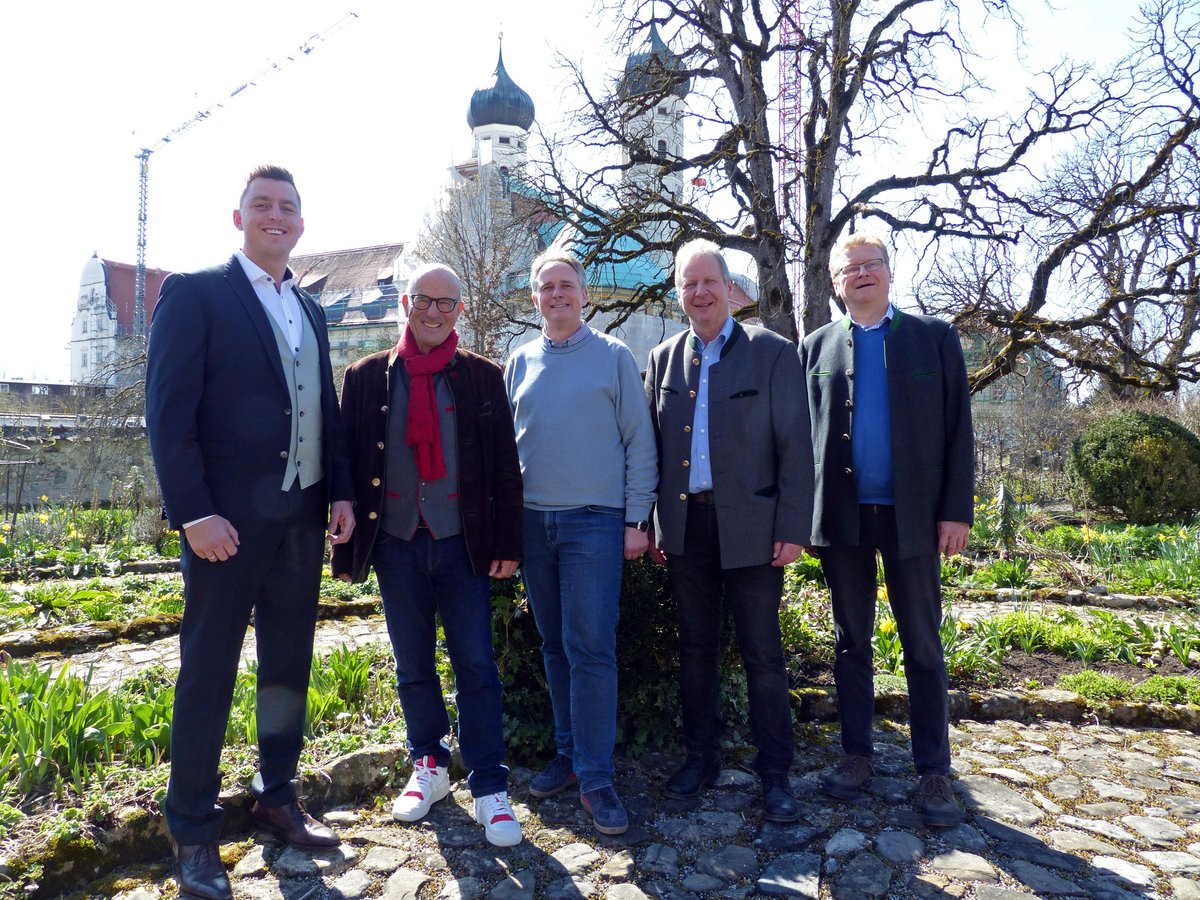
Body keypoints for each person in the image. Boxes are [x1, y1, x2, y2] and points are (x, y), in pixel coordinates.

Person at [146, 165, 355, 900]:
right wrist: (193, 512)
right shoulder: (196, 292)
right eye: (262, 205)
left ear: (301, 222)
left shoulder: (312, 309)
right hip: (224, 527)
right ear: (239, 218)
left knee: (287, 669)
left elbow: (323, 409)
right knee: (208, 672)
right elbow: (168, 413)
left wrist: (340, 492)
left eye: (288, 207)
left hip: (300, 521)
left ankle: (276, 796)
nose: (276, 215)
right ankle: (192, 830)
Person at [331, 263, 524, 847]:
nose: (434, 312)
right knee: (412, 662)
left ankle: (489, 785)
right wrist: (342, 520)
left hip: (463, 544)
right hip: (395, 542)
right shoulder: (366, 377)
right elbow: (345, 458)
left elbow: (505, 467)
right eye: (424, 300)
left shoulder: (483, 377)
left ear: (459, 310)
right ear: (405, 304)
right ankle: (430, 765)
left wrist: (507, 542)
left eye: (446, 303)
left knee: (477, 666)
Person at [801, 232, 974, 827]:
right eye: (850, 268)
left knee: (922, 643)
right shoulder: (817, 347)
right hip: (844, 517)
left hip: (914, 517)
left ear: (889, 272)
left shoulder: (934, 338)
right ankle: (856, 755)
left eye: (872, 264)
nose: (862, 274)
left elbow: (959, 429)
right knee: (851, 642)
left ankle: (933, 771)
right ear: (835, 282)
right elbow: (802, 437)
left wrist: (956, 511)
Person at [644, 239, 813, 823]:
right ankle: (701, 757)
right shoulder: (663, 358)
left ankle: (775, 773)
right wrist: (654, 523)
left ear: (728, 287)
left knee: (762, 653)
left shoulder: (773, 353)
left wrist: (793, 527)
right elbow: (652, 450)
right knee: (695, 650)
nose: (699, 293)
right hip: (686, 528)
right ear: (679, 294)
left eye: (708, 281)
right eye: (688, 284)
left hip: (755, 529)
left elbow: (797, 448)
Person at [503, 248, 657, 836]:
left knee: (590, 647)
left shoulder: (614, 357)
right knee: (554, 645)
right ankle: (568, 755)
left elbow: (639, 441)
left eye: (566, 285)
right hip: (532, 524)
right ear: (535, 298)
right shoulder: (518, 362)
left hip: (595, 521)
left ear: (584, 295)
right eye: (547, 287)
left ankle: (596, 776)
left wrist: (637, 519)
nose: (557, 294)